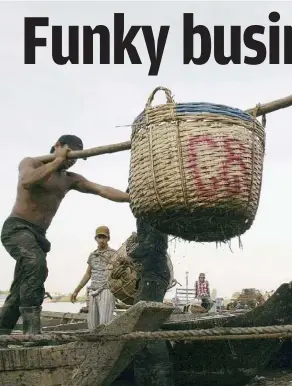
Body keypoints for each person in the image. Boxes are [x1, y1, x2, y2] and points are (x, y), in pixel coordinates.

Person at [0, 135, 129, 335]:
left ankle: (2, 330)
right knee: (36, 264)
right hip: (17, 228)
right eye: (70, 154)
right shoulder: (31, 163)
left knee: (22, 285)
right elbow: (27, 181)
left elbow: (101, 189)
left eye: (75, 158)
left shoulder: (69, 179)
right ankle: (32, 332)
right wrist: (58, 159)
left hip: (39, 235)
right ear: (58, 146)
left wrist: (129, 198)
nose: (71, 161)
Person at [128, 217, 174, 386]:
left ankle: (162, 379)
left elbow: (151, 244)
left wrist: (130, 256)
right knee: (141, 326)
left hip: (154, 278)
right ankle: (145, 377)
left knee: (148, 325)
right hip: (149, 277)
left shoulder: (153, 216)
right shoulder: (144, 217)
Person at [70, 225, 117, 329]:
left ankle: (106, 343)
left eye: (104, 237)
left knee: (104, 324)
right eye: (99, 237)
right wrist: (76, 291)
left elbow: (119, 273)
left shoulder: (114, 254)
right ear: (95, 238)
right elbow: (88, 274)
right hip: (93, 291)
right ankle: (95, 345)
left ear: (108, 238)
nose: (102, 240)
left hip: (106, 290)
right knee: (92, 325)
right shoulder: (92, 255)